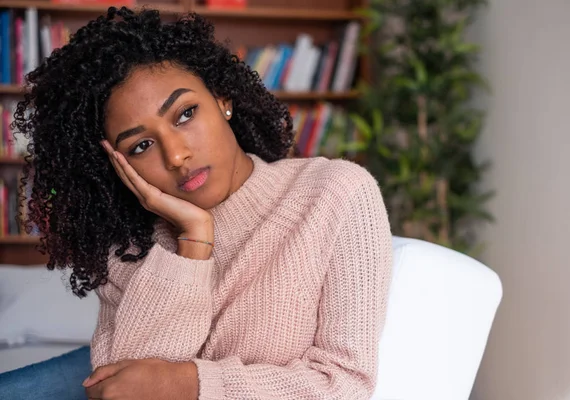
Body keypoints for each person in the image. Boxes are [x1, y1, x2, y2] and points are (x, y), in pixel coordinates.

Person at [0, 6, 392, 400]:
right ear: (117, 166)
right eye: (141, 146)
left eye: (185, 113)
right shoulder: (128, 247)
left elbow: (344, 383)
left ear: (222, 99)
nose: (175, 156)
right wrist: (194, 240)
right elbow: (126, 391)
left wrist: (189, 383)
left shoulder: (334, 193)